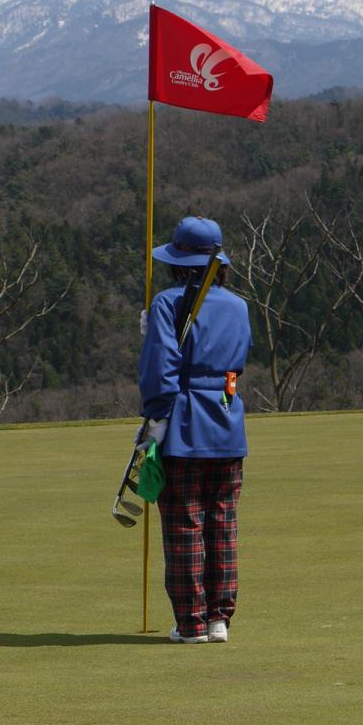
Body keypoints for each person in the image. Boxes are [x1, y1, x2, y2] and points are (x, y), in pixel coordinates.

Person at [138, 216, 251, 644]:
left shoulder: (168, 304)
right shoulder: (239, 306)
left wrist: (157, 417)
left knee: (185, 524)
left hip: (184, 424)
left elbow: (160, 370)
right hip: (227, 419)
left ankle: (191, 624)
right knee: (222, 523)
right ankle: (219, 619)